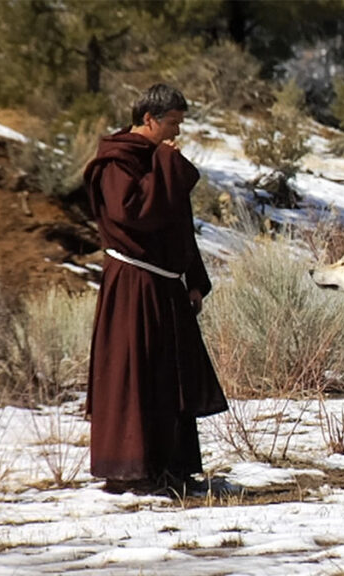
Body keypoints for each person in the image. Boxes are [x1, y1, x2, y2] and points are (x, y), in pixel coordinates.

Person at [83, 83, 228, 496]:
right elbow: (133, 215)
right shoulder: (117, 162)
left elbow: (178, 225)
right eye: (171, 124)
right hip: (131, 286)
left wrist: (194, 280)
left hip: (166, 286)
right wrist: (166, 162)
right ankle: (132, 470)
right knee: (133, 374)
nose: (175, 133)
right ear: (149, 119)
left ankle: (170, 467)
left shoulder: (157, 159)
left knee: (168, 377)